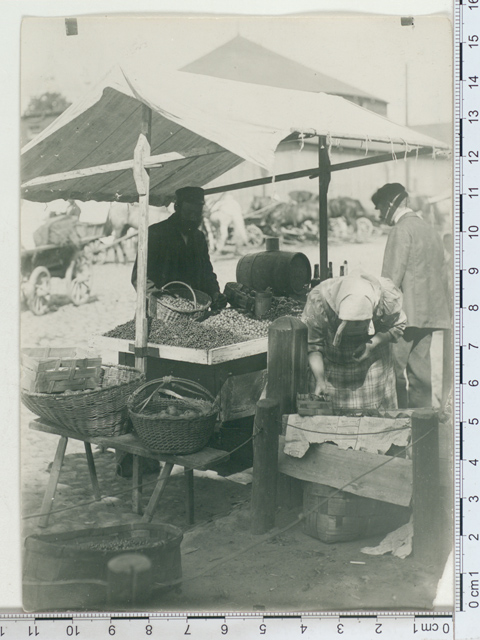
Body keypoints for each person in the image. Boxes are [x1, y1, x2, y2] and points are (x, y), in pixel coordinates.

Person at [371, 183, 451, 408]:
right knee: (421, 376)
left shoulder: (400, 230)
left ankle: (399, 426)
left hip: (403, 319)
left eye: (379, 209)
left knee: (392, 373)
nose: (379, 215)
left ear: (390, 205)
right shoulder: (431, 230)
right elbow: (443, 276)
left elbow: (389, 281)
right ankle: (423, 429)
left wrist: (379, 317)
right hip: (429, 317)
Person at [301, 273, 407, 411]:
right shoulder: (319, 302)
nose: (356, 328)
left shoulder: (386, 298)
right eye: (349, 324)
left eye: (361, 323)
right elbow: (313, 345)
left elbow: (399, 326)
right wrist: (320, 380)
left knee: (374, 422)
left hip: (373, 365)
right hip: (333, 368)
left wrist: (373, 343)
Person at [131, 186, 227, 310]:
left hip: (194, 308)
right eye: (188, 213)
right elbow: (140, 278)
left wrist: (214, 293)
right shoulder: (156, 233)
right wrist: (160, 300)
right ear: (177, 208)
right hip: (160, 310)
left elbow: (206, 272)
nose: (193, 218)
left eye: (197, 214)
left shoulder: (199, 238)